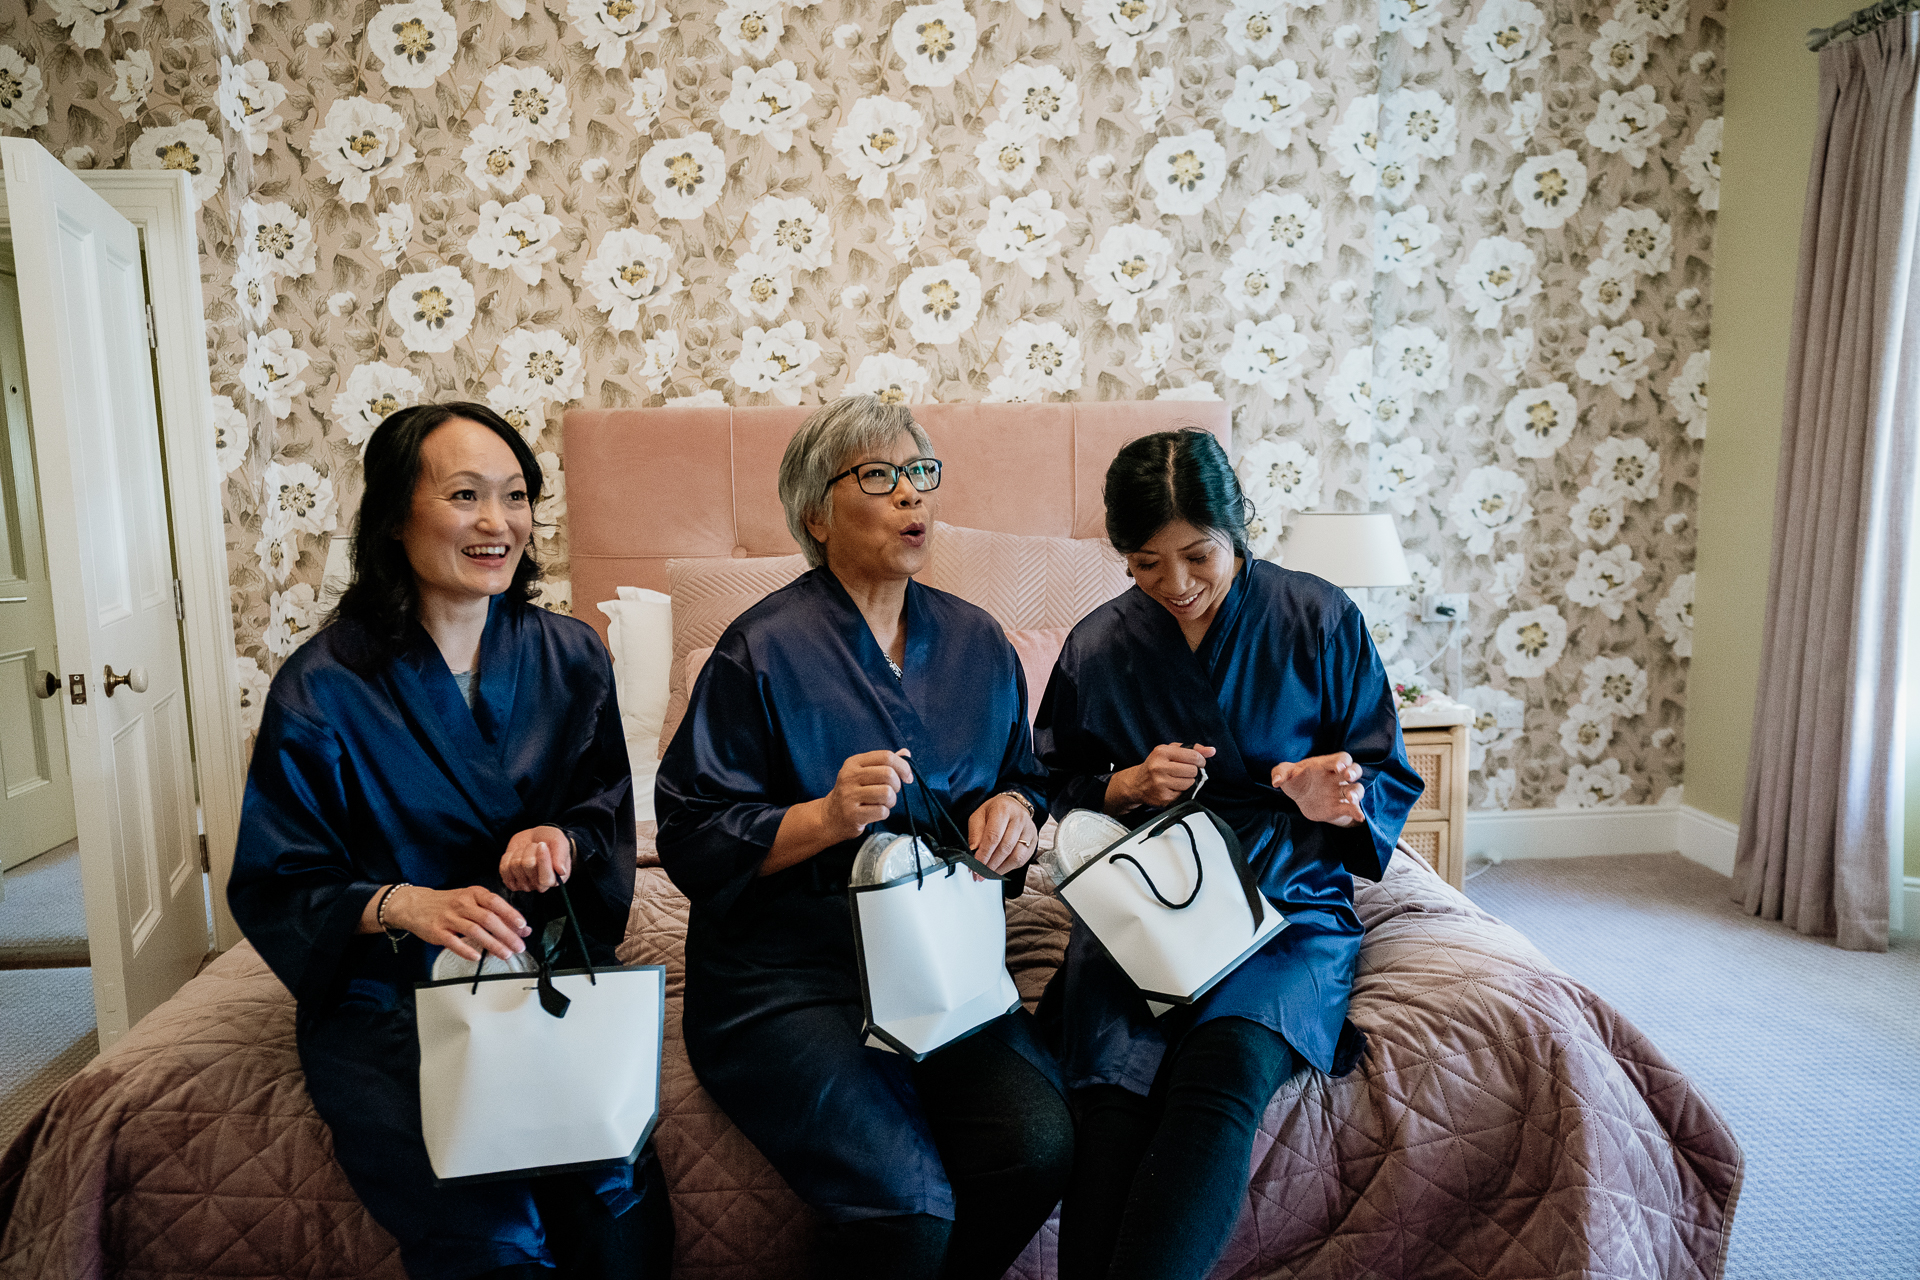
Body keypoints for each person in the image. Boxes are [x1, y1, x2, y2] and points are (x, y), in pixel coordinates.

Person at [227, 403, 672, 1280]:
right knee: (491, 1233)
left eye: (515, 497)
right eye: (465, 495)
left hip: (538, 967)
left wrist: (561, 841)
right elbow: (278, 879)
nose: (497, 522)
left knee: (616, 1201)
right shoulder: (323, 686)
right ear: (395, 517)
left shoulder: (572, 654)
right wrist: (402, 904)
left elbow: (602, 812)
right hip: (387, 996)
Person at [654, 395, 1073, 1280]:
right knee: (905, 1205)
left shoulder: (978, 641)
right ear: (816, 512)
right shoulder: (757, 651)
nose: (911, 497)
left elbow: (1025, 776)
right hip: (789, 980)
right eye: (879, 478)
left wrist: (1015, 811)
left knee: (1036, 1145)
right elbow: (690, 833)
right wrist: (822, 817)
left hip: (941, 962)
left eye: (923, 474)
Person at [1034, 428, 1423, 1280]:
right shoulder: (1098, 644)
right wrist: (1127, 785)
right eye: (1144, 563)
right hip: (1150, 890)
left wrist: (1332, 792)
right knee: (1108, 1095)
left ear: (1238, 527)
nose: (1175, 585)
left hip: (1282, 892)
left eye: (1197, 555)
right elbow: (1051, 784)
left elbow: (1383, 766)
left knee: (1223, 1072)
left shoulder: (1318, 617)